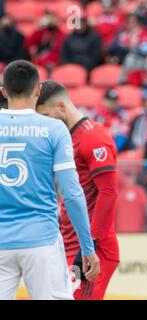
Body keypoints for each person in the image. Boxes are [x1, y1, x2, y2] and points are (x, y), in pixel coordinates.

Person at [0, 60, 99, 300]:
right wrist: (87, 247)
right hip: (41, 239)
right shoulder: (54, 129)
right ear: (37, 90)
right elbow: (72, 192)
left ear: (3, 91)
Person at [36, 80, 119, 300]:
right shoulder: (66, 139)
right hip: (70, 244)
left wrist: (89, 245)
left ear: (61, 107)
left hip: (92, 249)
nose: (43, 124)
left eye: (45, 116)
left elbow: (108, 193)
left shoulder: (93, 137)